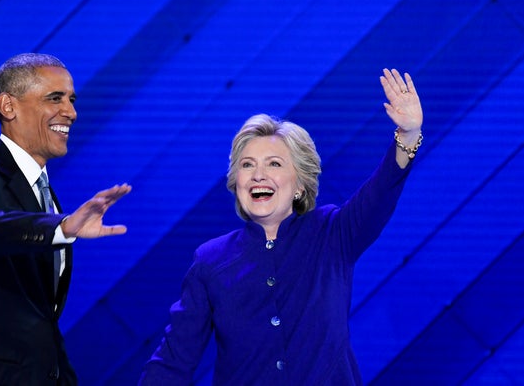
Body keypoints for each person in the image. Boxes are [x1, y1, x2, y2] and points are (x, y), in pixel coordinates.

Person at [139, 68, 423, 385]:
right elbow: (173, 361)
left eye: (274, 163)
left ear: (300, 183)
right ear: (236, 183)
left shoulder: (332, 233)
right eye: (248, 165)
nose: (259, 175)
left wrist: (407, 135)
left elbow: (381, 191)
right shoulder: (210, 262)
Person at [0, 53, 132, 385]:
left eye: (71, 99)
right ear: (8, 106)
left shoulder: (47, 195)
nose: (71, 112)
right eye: (55, 98)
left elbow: (40, 318)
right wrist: (61, 227)